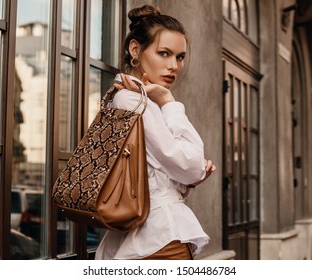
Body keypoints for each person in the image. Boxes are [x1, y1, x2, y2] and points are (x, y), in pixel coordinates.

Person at [95, 4, 216, 260]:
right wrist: (168, 101)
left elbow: (167, 175)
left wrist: (187, 177)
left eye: (180, 57)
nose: (174, 65)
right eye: (164, 53)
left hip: (153, 233)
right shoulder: (134, 101)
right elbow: (192, 164)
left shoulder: (136, 100)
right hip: (159, 237)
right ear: (136, 50)